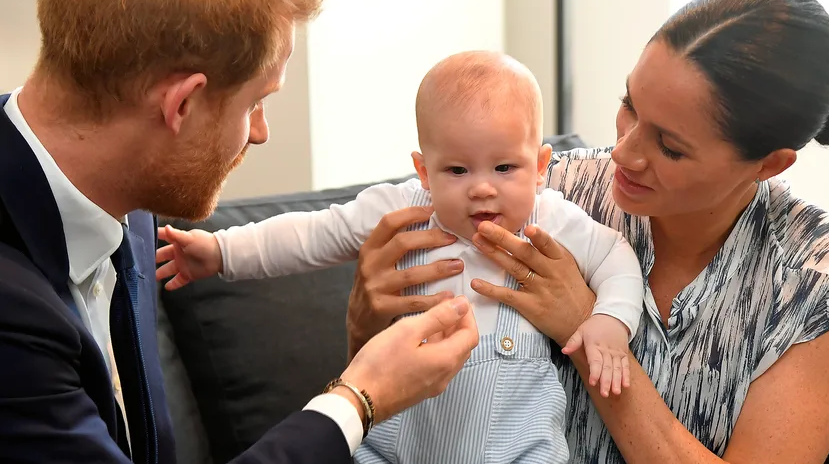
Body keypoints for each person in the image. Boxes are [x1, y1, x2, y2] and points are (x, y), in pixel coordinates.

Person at [345, 0, 829, 464]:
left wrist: (588, 334)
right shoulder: (548, 191)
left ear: (768, 164)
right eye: (629, 106)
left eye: (670, 147)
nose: (624, 155)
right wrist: (365, 325)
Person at [0, 0, 478, 463]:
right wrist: (358, 401)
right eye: (256, 102)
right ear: (182, 104)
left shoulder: (127, 205)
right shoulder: (10, 310)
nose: (261, 132)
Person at [155, 50, 645, 463]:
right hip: (400, 444)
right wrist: (220, 252)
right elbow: (313, 234)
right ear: (423, 171)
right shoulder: (404, 208)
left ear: (539, 167)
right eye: (456, 169)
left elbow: (616, 258)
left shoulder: (551, 218)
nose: (481, 189)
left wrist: (608, 322)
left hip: (518, 447)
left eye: (504, 167)